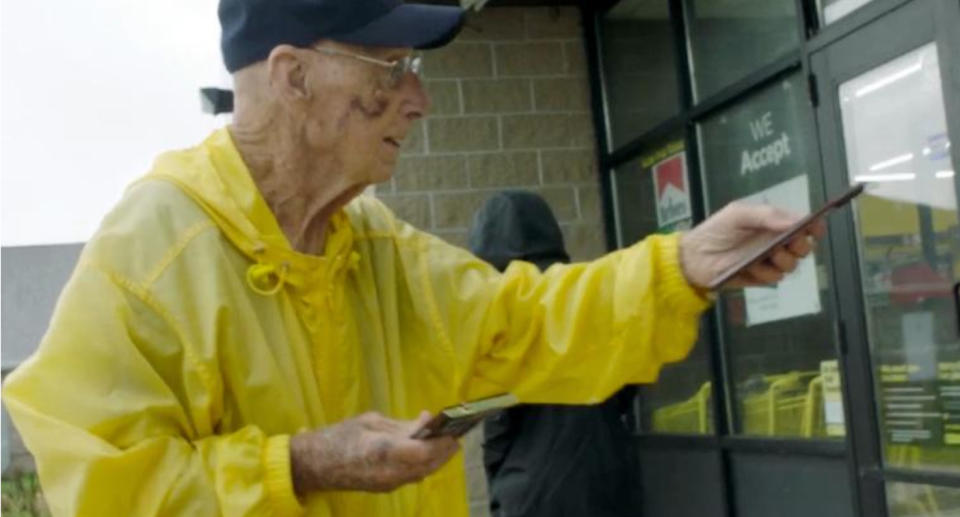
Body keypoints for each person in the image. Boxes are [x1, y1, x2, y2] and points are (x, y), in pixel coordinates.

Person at [1, 1, 822, 516]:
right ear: (291, 78)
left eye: (415, 69)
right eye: (392, 69)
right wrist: (303, 462)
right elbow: (103, 490)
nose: (418, 99)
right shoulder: (151, 254)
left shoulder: (379, 245)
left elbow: (527, 323)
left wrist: (680, 264)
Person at [468, 190, 640, 517]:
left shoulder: (502, 307)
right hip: (609, 476)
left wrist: (500, 484)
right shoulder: (591, 293)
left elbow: (495, 413)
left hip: (531, 489)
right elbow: (629, 379)